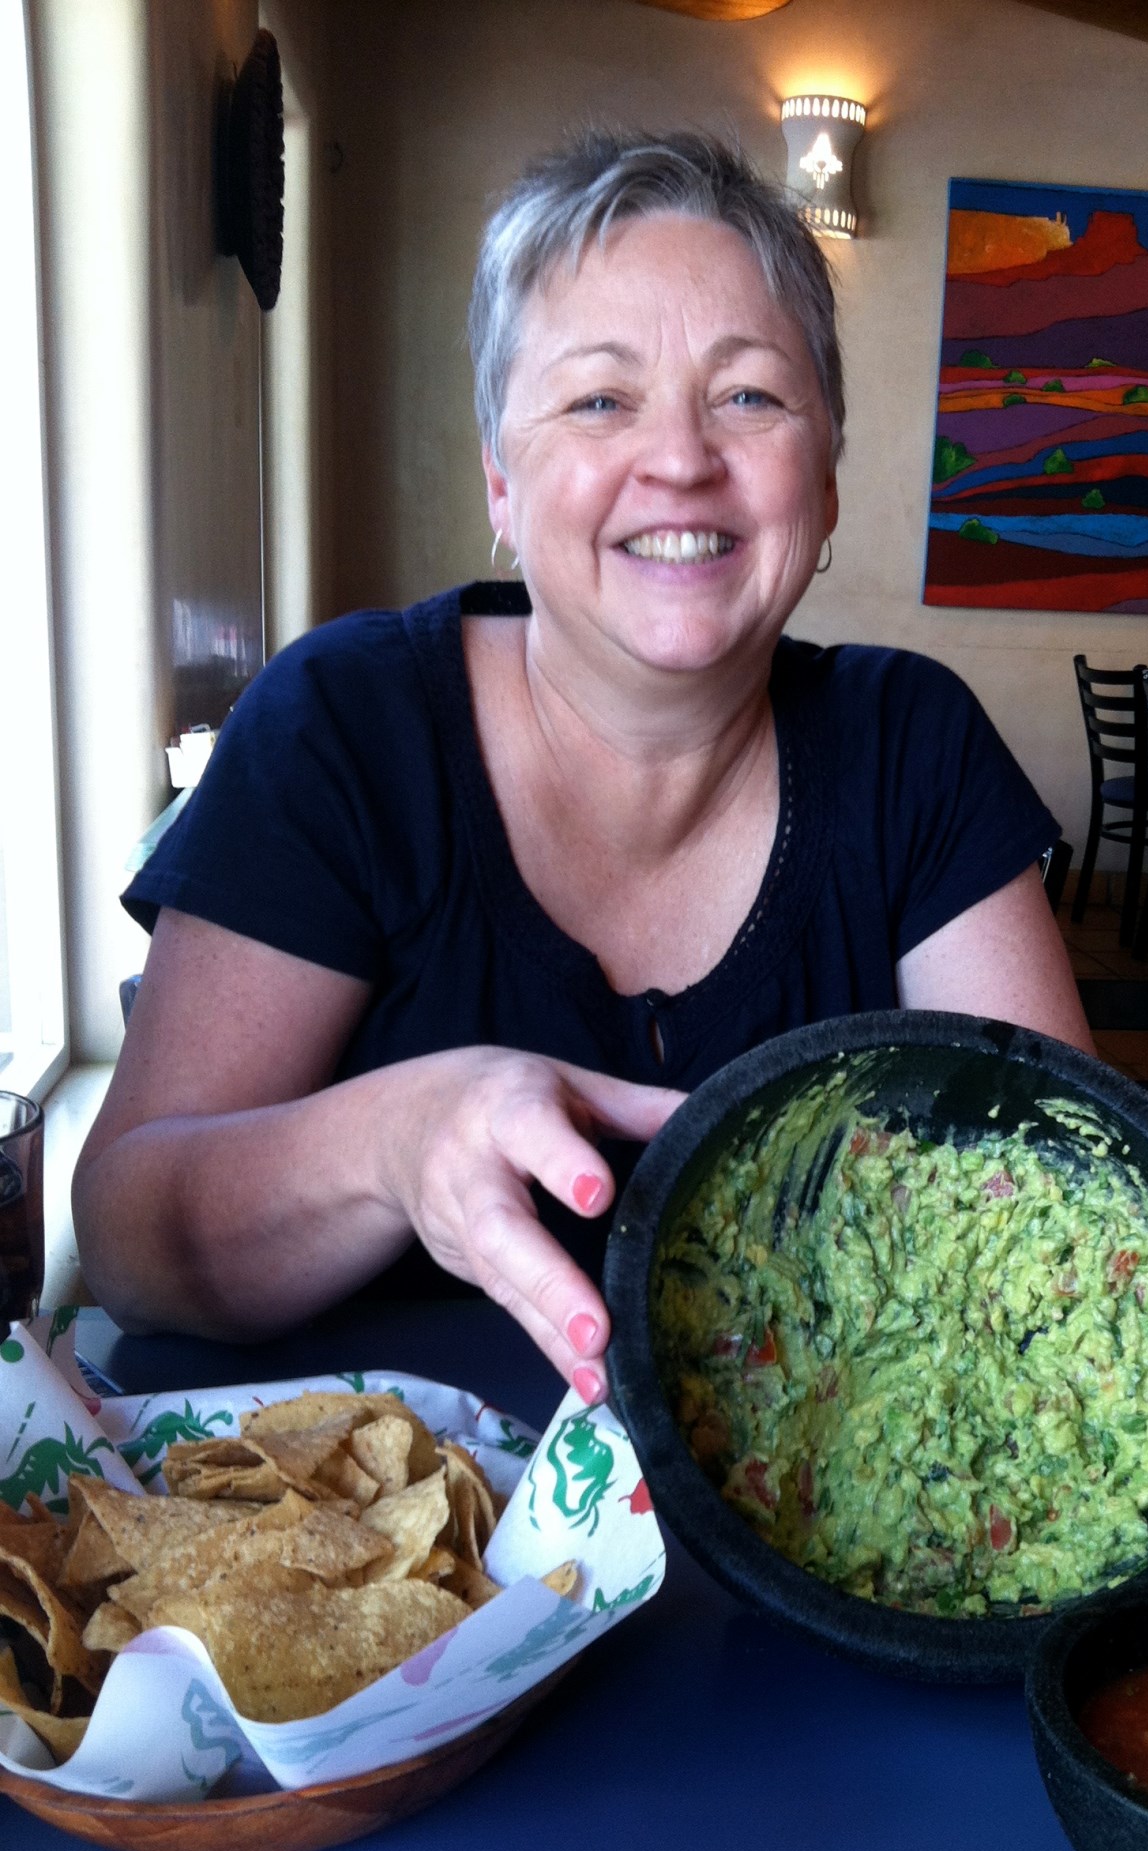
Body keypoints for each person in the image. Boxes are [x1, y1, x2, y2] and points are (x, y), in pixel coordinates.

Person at [75, 130, 1092, 1407]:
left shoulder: (912, 745)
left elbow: (1069, 1214)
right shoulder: (344, 724)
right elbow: (126, 1244)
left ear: (825, 481)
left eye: (749, 396)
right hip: (414, 1523)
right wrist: (395, 1141)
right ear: (502, 483)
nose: (679, 458)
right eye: (600, 400)